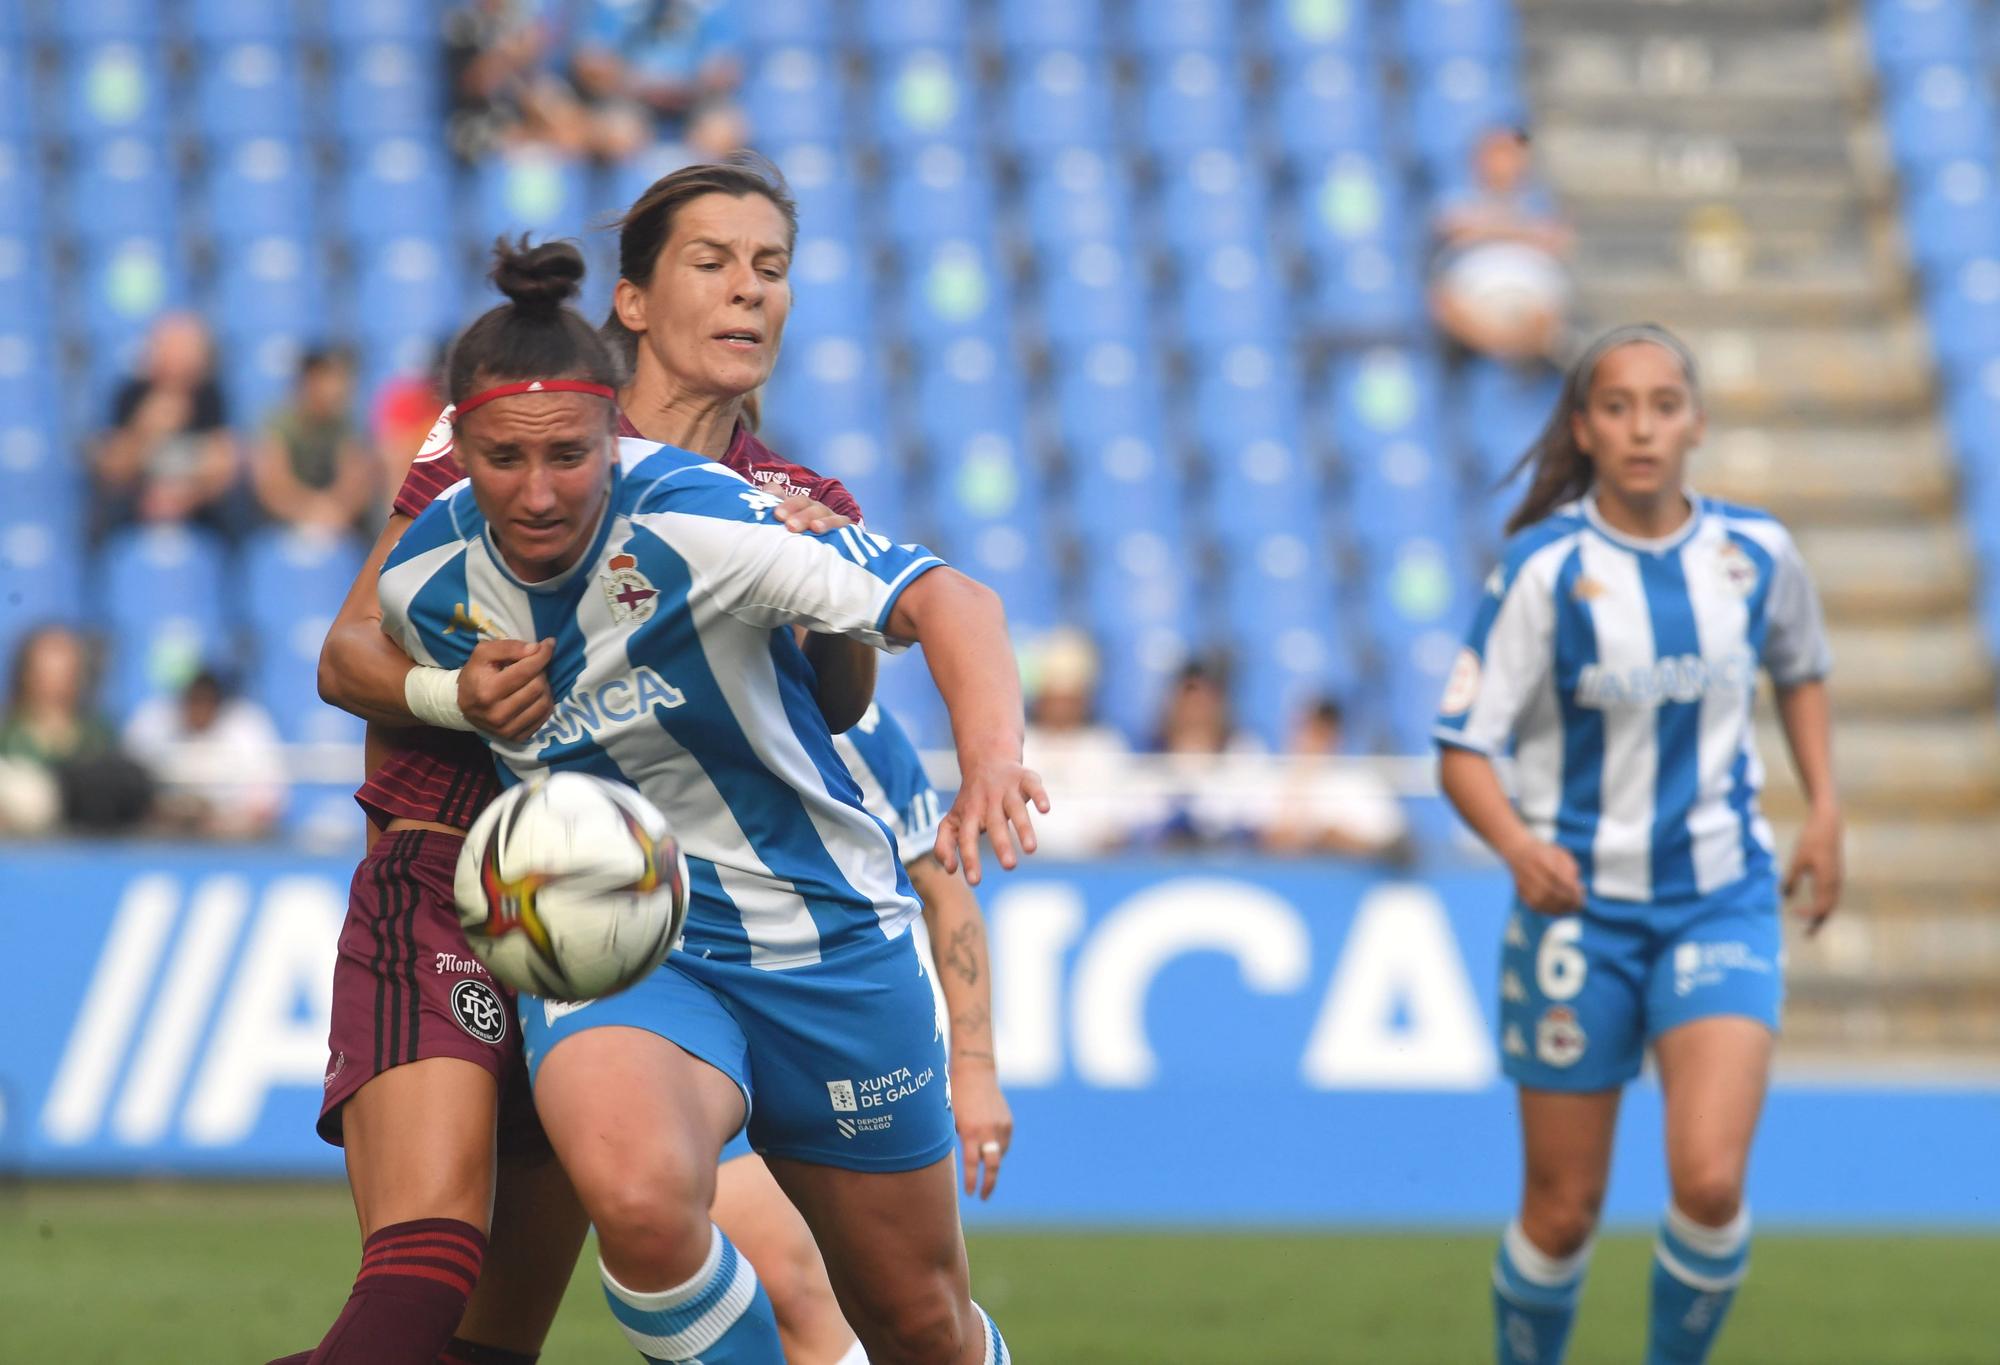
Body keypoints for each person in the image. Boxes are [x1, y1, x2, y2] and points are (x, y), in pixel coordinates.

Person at [380, 240, 1038, 1364]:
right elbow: (345, 658)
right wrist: (445, 694)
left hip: (822, 945)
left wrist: (988, 758)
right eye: (501, 460)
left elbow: (950, 598)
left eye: (570, 458)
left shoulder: (701, 522)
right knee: (639, 1205)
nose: (537, 493)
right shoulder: (425, 581)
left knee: (915, 1320)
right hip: (631, 945)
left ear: (613, 440)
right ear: (458, 454)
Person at [1432, 323, 1842, 1365]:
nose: (1641, 428)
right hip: (1578, 915)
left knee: (1707, 1183)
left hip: (1719, 898)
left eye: (1662, 405)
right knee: (1561, 1213)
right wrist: (1518, 849)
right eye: (1615, 408)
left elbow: (1797, 668)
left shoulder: (1755, 555)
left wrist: (1824, 804)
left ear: (1695, 421)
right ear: (1583, 428)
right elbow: (1460, 751)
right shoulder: (1542, 570)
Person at [715, 699, 1013, 1365]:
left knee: (891, 1308)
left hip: (827, 1027)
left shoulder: (858, 725)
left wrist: (975, 1068)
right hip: (686, 1013)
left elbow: (945, 892)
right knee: (671, 1231)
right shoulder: (628, 667)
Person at [1429, 126, 1575, 365]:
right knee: (1443, 303)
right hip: (1472, 294)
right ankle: (1503, 355)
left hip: (1531, 293)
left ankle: (1513, 361)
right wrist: (1523, 230)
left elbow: (1559, 239)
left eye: (1510, 154)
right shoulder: (1456, 195)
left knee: (1552, 312)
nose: (1503, 163)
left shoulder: (1541, 199)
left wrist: (1486, 229)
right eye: (1496, 154)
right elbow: (1452, 229)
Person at [91, 313, 238, 539]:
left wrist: (184, 498)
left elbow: (223, 464)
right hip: (136, 510)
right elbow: (112, 471)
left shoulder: (209, 396)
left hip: (197, 514)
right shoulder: (130, 394)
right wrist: (145, 431)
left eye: (186, 350)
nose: (179, 359)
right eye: (171, 348)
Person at [0, 624, 146, 833]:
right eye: (47, 668)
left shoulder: (98, 734)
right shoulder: (6, 731)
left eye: (67, 668)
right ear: (26, 672)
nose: (58, 678)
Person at [568, 0, 746, 161]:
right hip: (629, 97)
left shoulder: (711, 6)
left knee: (722, 132)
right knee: (617, 134)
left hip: (694, 98)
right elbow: (591, 66)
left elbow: (726, 68)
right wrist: (637, 83)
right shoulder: (613, 5)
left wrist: (684, 85)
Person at [124, 667, 288, 839]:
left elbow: (269, 800)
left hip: (229, 832)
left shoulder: (248, 728)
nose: (198, 710)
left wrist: (218, 817)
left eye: (205, 702)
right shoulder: (154, 723)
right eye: (194, 701)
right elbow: (131, 787)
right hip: (170, 831)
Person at [1019, 627, 1134, 858]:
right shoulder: (1018, 745)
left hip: (1095, 865)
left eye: (1069, 698)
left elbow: (1115, 821)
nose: (1061, 706)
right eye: (1055, 696)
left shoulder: (1105, 746)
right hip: (1025, 863)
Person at [1259, 696, 1410, 861]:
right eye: (1306, 729)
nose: (1310, 740)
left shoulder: (1359, 784)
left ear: (1337, 735)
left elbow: (1397, 845)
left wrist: (1339, 842)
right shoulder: (1266, 781)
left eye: (1322, 731)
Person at [251, 347, 378, 538]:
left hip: (339, 521)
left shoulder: (348, 423)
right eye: (331, 378)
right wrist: (311, 512)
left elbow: (356, 482)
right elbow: (273, 487)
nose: (340, 388)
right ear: (309, 381)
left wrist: (333, 511)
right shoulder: (277, 422)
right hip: (284, 524)